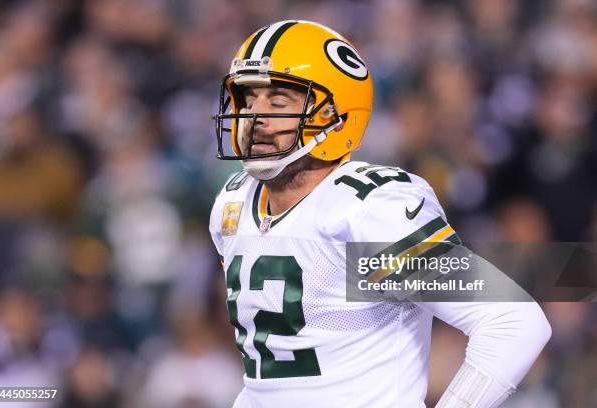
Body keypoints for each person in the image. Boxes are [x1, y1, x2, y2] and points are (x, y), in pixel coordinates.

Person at [209, 20, 551, 408]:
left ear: (335, 116)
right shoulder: (233, 202)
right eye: (249, 98)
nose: (255, 116)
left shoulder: (363, 210)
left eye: (278, 101)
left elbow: (513, 322)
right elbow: (273, 374)